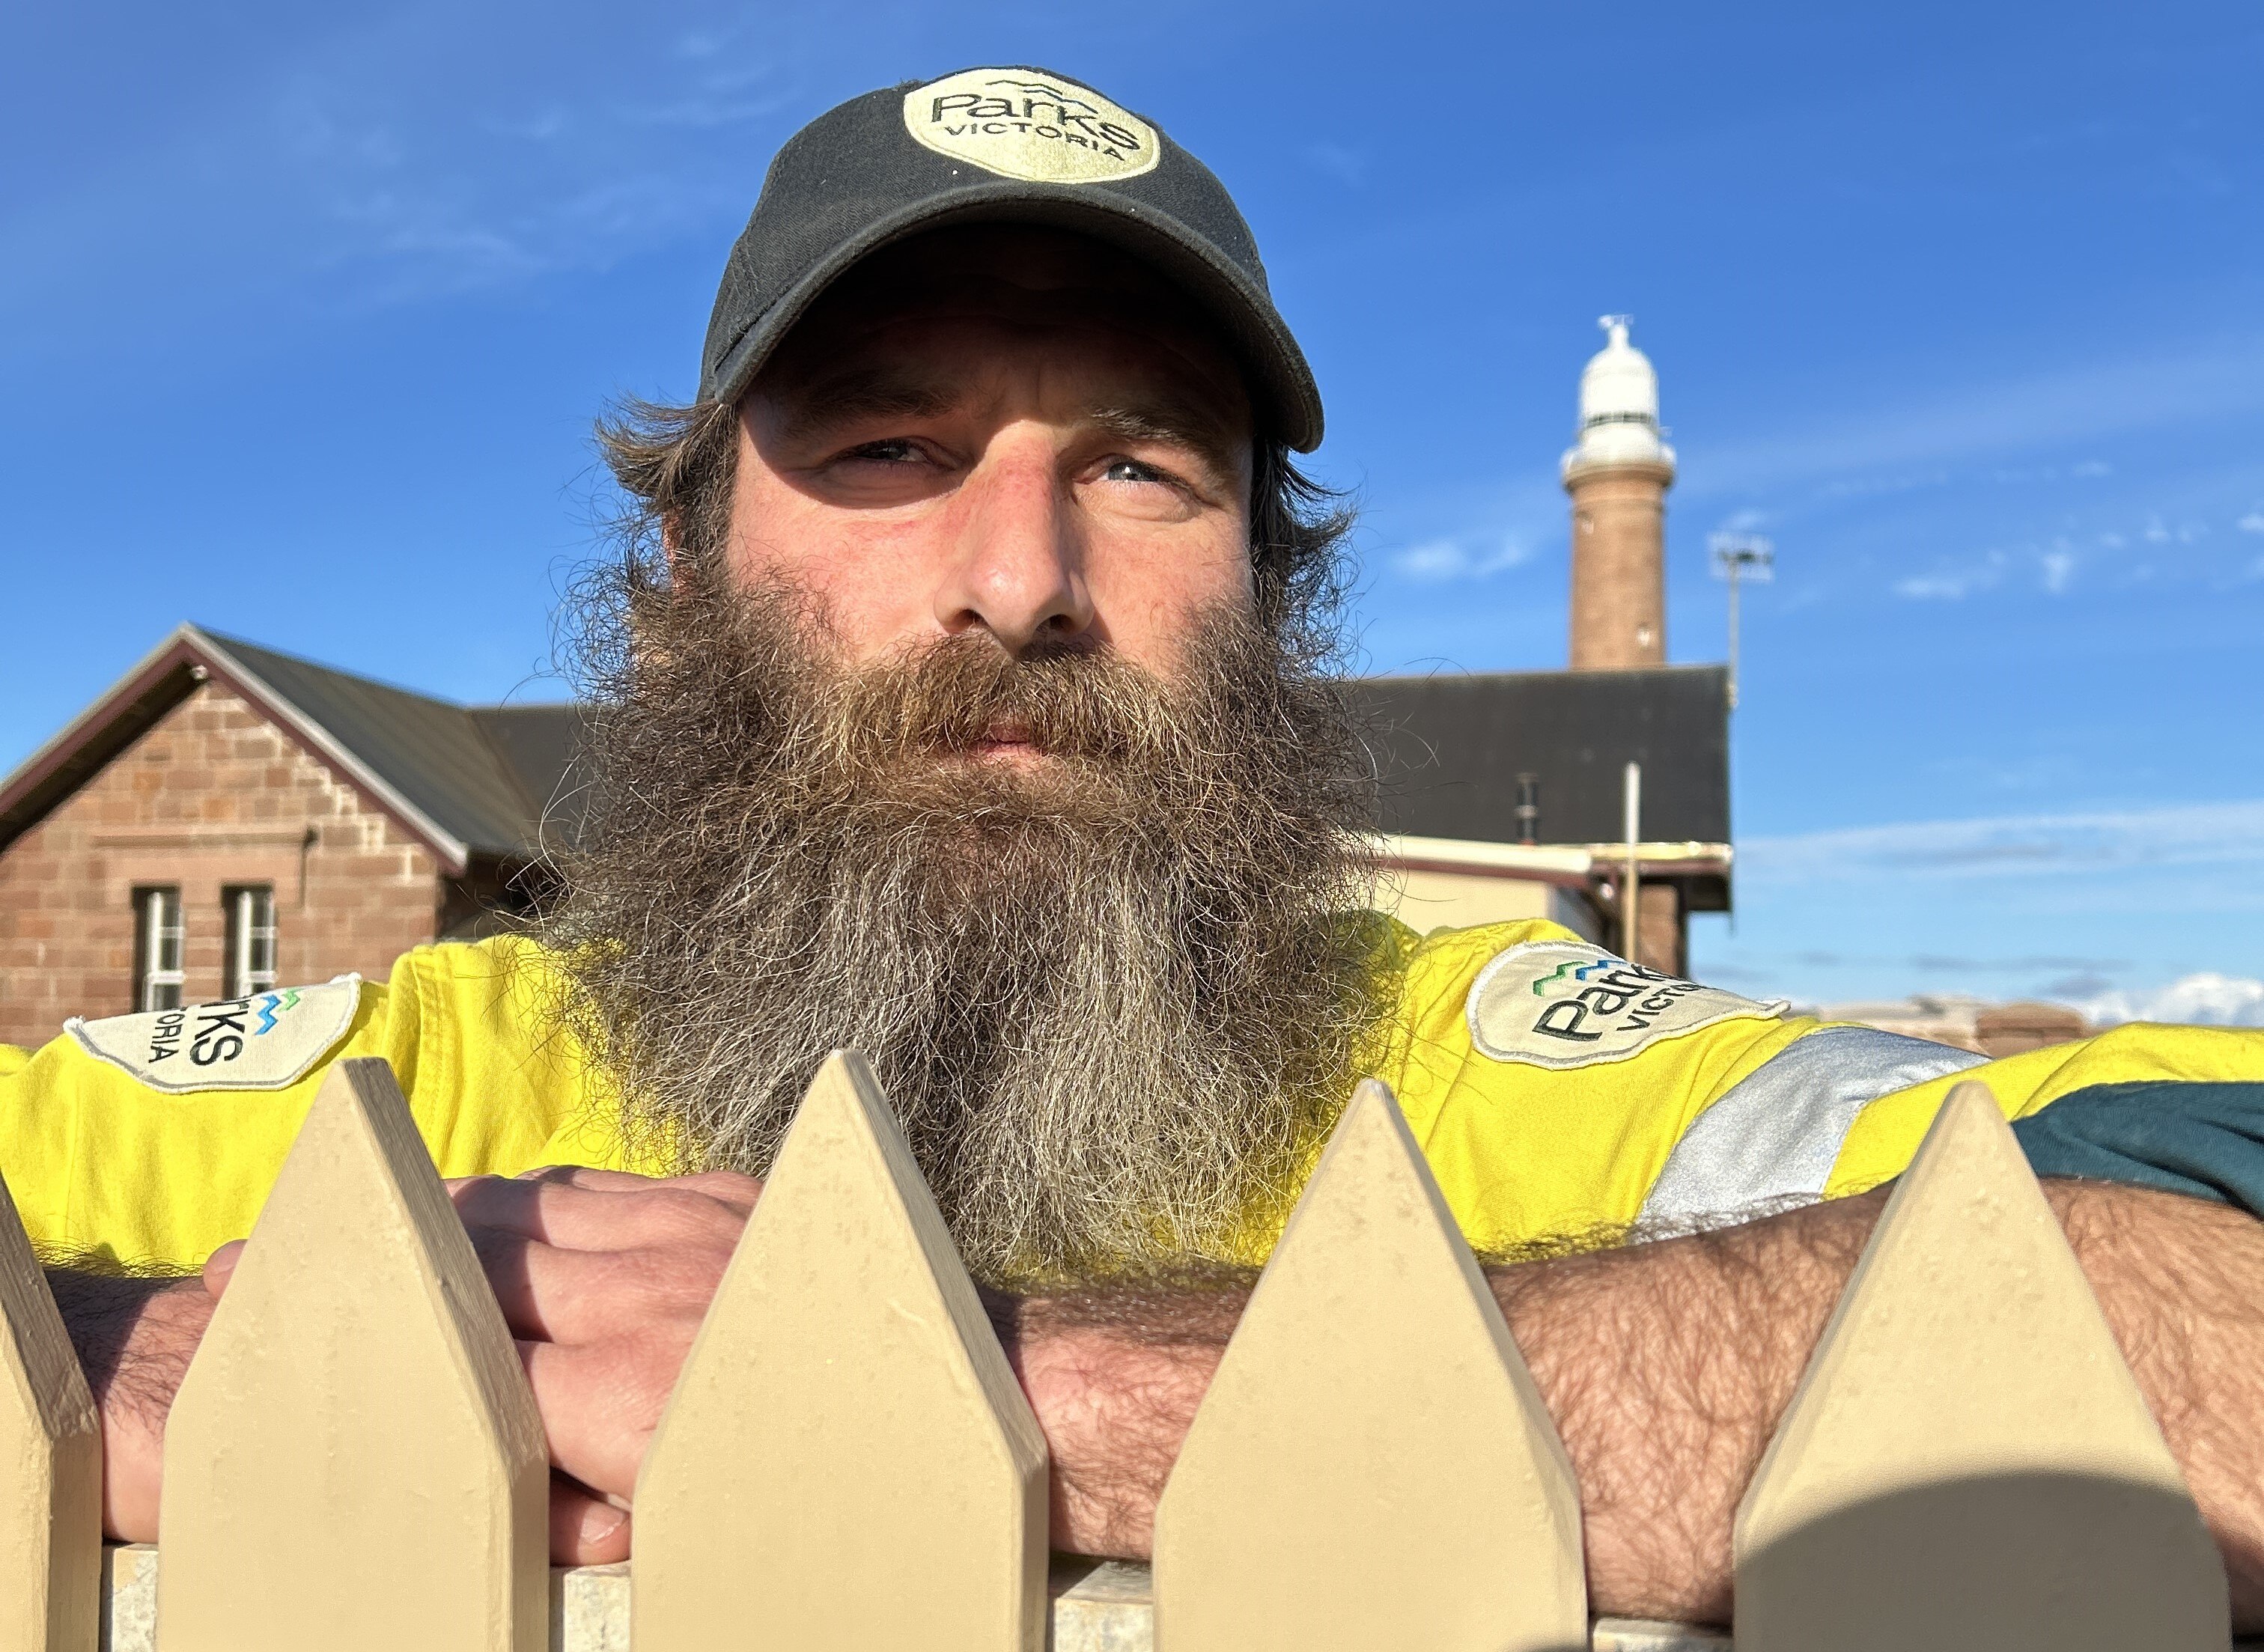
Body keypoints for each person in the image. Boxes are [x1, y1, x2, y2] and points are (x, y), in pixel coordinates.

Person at [9, 67, 2264, 1626]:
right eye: (886, 447)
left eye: (1143, 468)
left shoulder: (1491, 1066)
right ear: (679, 584)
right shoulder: (412, 1090)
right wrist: (102, 1351)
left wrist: (1034, 1377)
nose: (1021, 583)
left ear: (1268, 599)